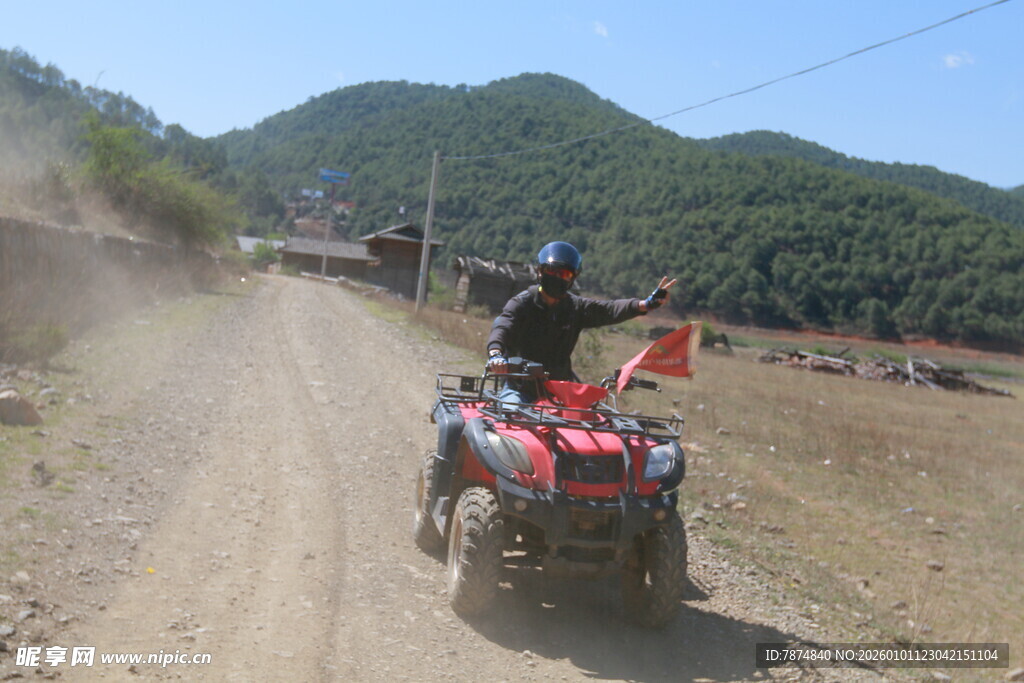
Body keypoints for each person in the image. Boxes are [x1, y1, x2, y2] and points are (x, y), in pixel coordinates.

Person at [486, 241, 676, 403]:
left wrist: (646, 304)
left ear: (573, 278)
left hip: (560, 389)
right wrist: (495, 354)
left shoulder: (575, 307)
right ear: (540, 271)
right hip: (521, 388)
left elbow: (609, 309)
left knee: (591, 427)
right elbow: (503, 326)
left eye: (565, 274)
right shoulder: (522, 303)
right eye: (552, 271)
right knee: (512, 418)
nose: (557, 277)